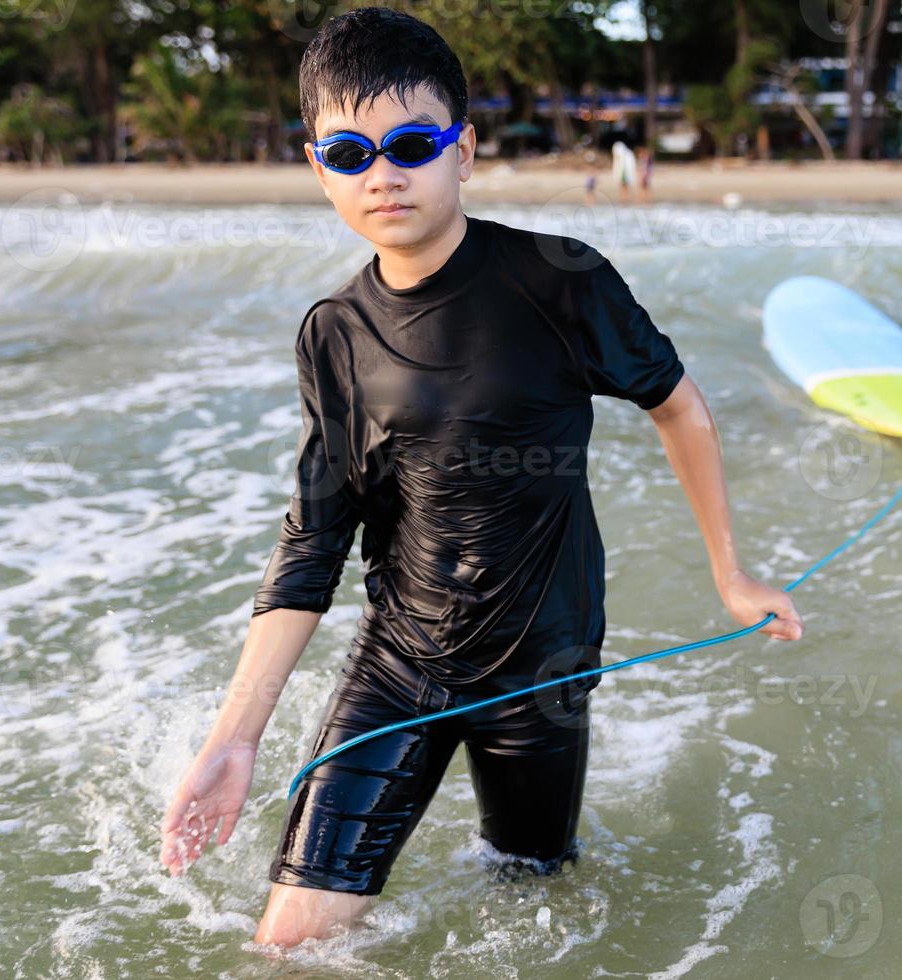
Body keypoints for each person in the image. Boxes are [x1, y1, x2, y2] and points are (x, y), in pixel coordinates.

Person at [156, 6, 804, 950]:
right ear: (317, 166)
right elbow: (313, 541)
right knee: (289, 943)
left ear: (465, 150)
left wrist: (731, 572)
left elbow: (678, 405)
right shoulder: (334, 332)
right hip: (400, 663)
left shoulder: (560, 280)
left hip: (540, 666)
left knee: (531, 900)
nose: (382, 173)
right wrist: (235, 739)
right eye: (349, 153)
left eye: (411, 143)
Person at [610, 134, 637, 205]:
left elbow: (630, 166)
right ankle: (623, 200)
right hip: (622, 174)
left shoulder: (627, 154)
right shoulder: (625, 154)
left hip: (625, 174)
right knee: (622, 187)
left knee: (625, 187)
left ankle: (626, 200)